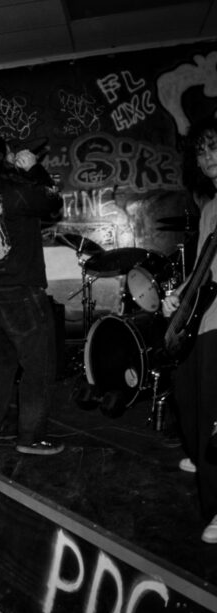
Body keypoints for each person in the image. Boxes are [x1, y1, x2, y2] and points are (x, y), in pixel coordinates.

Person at [0, 135, 64, 457]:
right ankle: (31, 437)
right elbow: (53, 203)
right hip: (22, 292)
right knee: (40, 366)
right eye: (8, 151)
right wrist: (36, 170)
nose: (14, 153)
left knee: (2, 364)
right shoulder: (18, 192)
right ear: (2, 158)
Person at [162, 119, 217, 544]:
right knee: (189, 400)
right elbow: (203, 268)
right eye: (201, 152)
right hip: (204, 318)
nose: (208, 158)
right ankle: (202, 458)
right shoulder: (212, 205)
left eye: (215, 148)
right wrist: (178, 297)